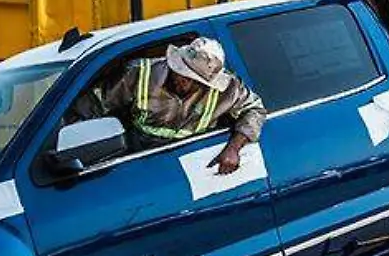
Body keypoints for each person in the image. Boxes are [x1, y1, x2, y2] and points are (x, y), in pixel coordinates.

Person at [72, 36, 265, 174]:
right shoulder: (140, 73)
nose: (186, 83)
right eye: (183, 75)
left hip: (192, 163)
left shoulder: (227, 87)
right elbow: (92, 104)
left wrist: (233, 148)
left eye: (195, 81)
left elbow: (254, 109)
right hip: (140, 157)